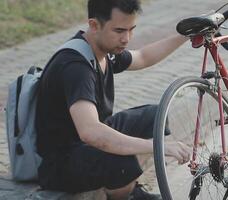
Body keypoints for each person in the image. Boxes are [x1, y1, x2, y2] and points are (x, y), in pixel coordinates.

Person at [35, 0, 191, 199]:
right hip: (61, 164)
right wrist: (158, 148)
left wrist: (186, 34)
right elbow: (90, 132)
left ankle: (127, 188)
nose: (126, 39)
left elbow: (143, 56)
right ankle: (124, 194)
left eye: (131, 29)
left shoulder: (103, 50)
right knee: (122, 163)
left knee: (155, 117)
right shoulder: (76, 67)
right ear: (94, 25)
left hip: (84, 145)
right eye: (119, 31)